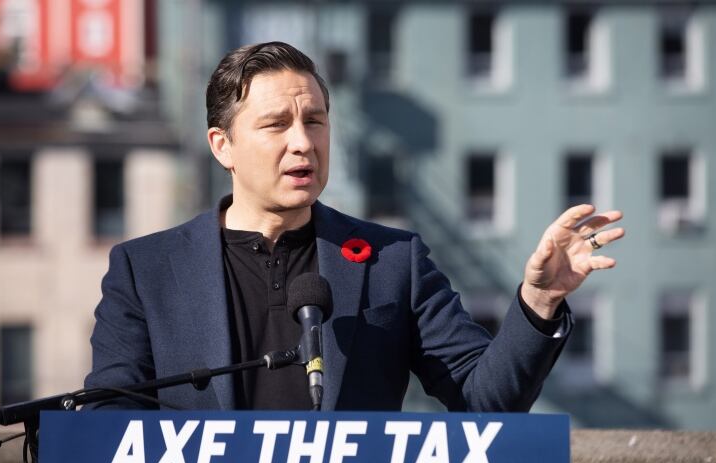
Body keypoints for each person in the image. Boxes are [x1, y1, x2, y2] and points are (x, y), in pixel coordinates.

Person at [84, 42, 624, 412]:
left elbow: (483, 400)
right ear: (222, 145)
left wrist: (539, 300)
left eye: (314, 121)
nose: (303, 142)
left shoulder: (394, 260)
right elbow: (109, 426)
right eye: (276, 125)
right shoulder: (145, 270)